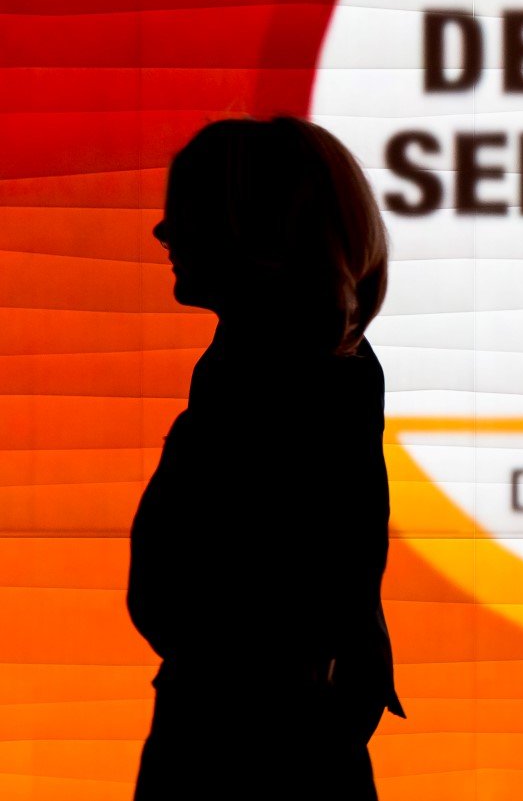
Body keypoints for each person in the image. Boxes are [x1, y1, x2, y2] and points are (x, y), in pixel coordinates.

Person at [128, 117, 403, 799]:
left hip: (240, 742)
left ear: (253, 226)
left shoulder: (274, 382)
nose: (163, 232)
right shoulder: (293, 368)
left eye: (187, 209)